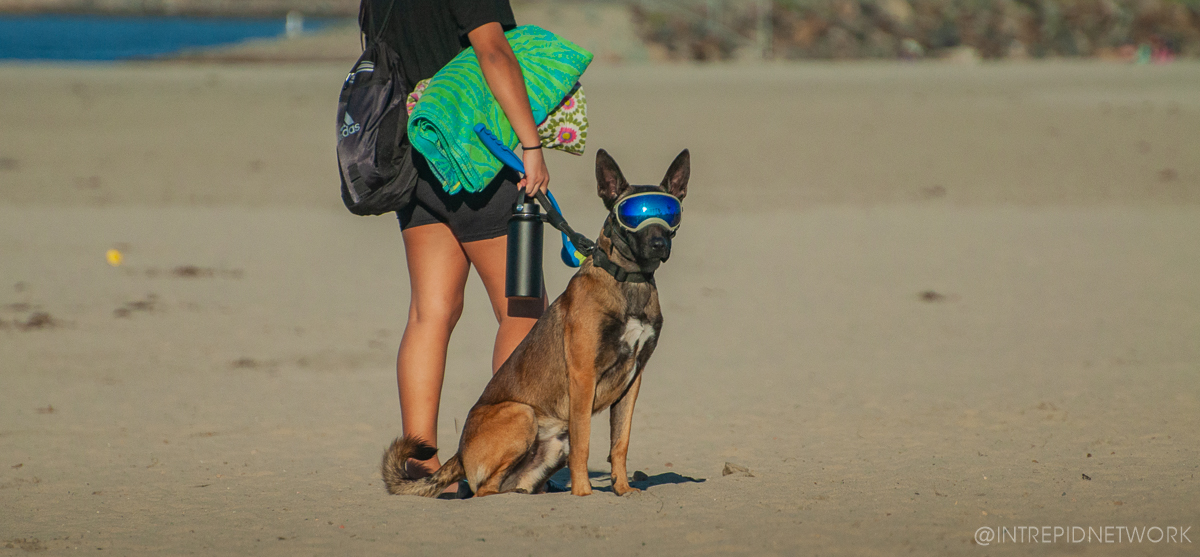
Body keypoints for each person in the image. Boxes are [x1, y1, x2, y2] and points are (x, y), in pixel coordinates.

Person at [360, 0, 549, 490]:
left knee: (429, 313)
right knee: (523, 307)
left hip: (415, 157)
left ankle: (421, 466)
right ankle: (508, 460)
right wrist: (530, 145)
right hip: (475, 157)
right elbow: (493, 52)